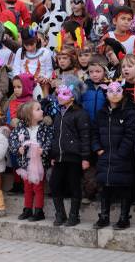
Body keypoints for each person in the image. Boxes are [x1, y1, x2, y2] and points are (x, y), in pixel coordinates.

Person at [92, 82, 135, 230]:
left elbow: (131, 134)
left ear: (123, 92)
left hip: (122, 157)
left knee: (125, 186)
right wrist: (98, 148)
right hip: (105, 155)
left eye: (117, 91)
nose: (114, 94)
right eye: (110, 91)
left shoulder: (129, 112)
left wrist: (122, 152)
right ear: (106, 94)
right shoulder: (101, 113)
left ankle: (124, 217)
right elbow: (94, 133)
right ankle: (104, 216)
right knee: (105, 186)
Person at [49, 84, 91, 227]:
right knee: (54, 184)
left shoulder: (80, 114)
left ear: (73, 97)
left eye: (65, 93)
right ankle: (60, 213)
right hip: (59, 156)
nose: (60, 96)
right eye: (58, 93)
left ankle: (74, 215)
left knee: (74, 185)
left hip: (74, 157)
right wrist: (53, 155)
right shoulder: (58, 114)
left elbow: (85, 136)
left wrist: (85, 157)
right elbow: (55, 136)